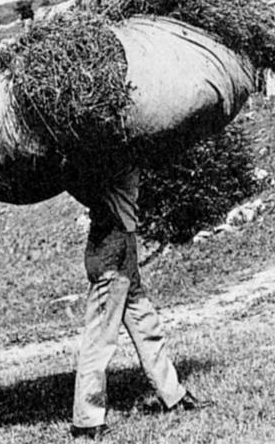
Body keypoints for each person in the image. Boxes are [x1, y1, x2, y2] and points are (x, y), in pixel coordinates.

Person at [67, 164, 210, 439]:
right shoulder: (112, 162)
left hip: (123, 249)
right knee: (100, 339)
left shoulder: (120, 161)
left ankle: (174, 396)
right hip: (111, 252)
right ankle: (86, 420)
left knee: (147, 326)